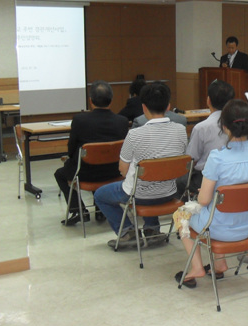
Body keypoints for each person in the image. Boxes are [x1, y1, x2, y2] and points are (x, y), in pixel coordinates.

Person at [175, 99, 248, 287]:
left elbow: (203, 200)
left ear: (224, 126)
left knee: (181, 214)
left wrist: (209, 194)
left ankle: (196, 268)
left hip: (218, 228)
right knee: (218, 205)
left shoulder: (217, 157)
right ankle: (219, 264)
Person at [94, 82, 188, 246]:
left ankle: (127, 231)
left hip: (139, 195)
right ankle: (152, 229)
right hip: (169, 192)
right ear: (168, 106)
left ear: (143, 107)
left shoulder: (135, 134)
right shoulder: (181, 130)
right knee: (152, 178)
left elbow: (123, 170)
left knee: (100, 195)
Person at [54, 81, 129, 225]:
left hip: (85, 172)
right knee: (100, 162)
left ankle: (79, 209)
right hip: (114, 172)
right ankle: (101, 210)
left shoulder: (79, 120)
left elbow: (71, 150)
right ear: (111, 100)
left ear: (90, 101)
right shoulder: (122, 121)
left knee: (60, 174)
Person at [178, 79, 234, 195]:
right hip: (233, 174)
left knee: (179, 181)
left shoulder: (201, 127)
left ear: (208, 100)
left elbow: (191, 159)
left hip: (206, 179)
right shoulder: (239, 123)